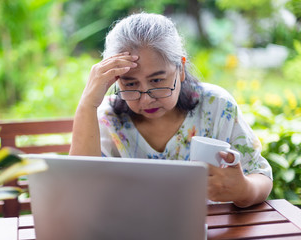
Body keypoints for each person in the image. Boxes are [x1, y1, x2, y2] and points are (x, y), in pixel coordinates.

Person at [70, 12, 272, 208]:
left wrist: (244, 190)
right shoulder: (106, 117)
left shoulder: (217, 105)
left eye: (157, 80)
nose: (147, 98)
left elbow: (260, 175)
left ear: (181, 69)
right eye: (130, 84)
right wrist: (87, 104)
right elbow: (78, 193)